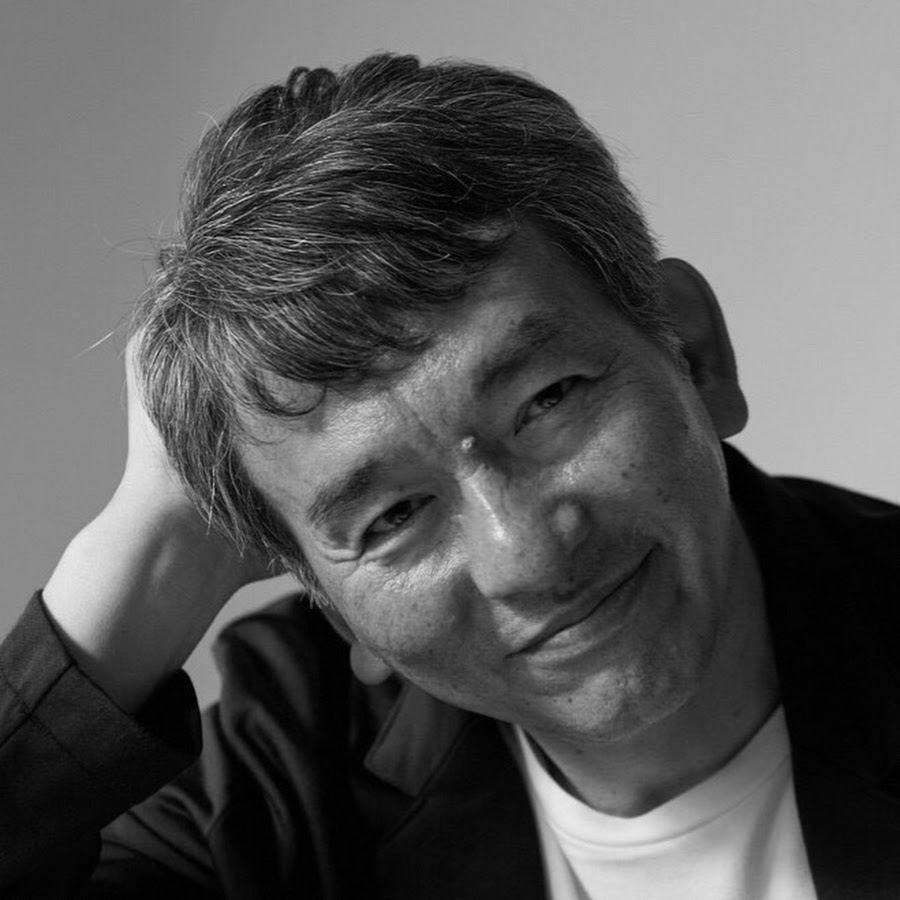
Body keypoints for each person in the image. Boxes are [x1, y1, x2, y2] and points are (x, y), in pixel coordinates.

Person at [1, 52, 899, 900]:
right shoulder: (284, 779)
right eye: (392, 518)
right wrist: (149, 551)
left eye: (548, 401)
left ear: (693, 353)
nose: (527, 556)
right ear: (336, 610)